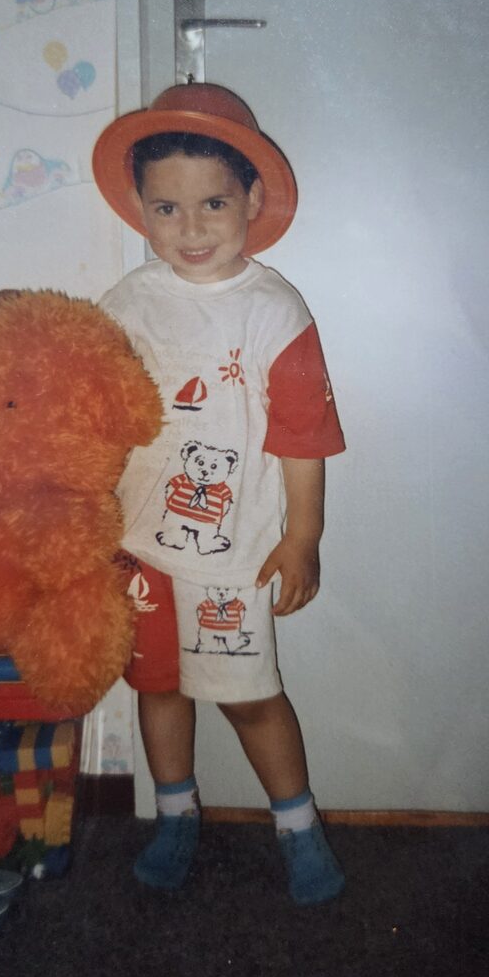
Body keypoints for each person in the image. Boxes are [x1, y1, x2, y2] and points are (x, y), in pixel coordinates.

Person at [92, 82, 345, 905]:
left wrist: (301, 536)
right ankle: (175, 814)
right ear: (138, 207)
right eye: (166, 208)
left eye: (211, 204)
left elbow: (302, 436)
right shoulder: (126, 302)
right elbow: (94, 410)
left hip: (231, 552)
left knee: (248, 698)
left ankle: (298, 824)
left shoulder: (274, 311)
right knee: (157, 686)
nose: (190, 229)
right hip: (138, 542)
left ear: (253, 200)